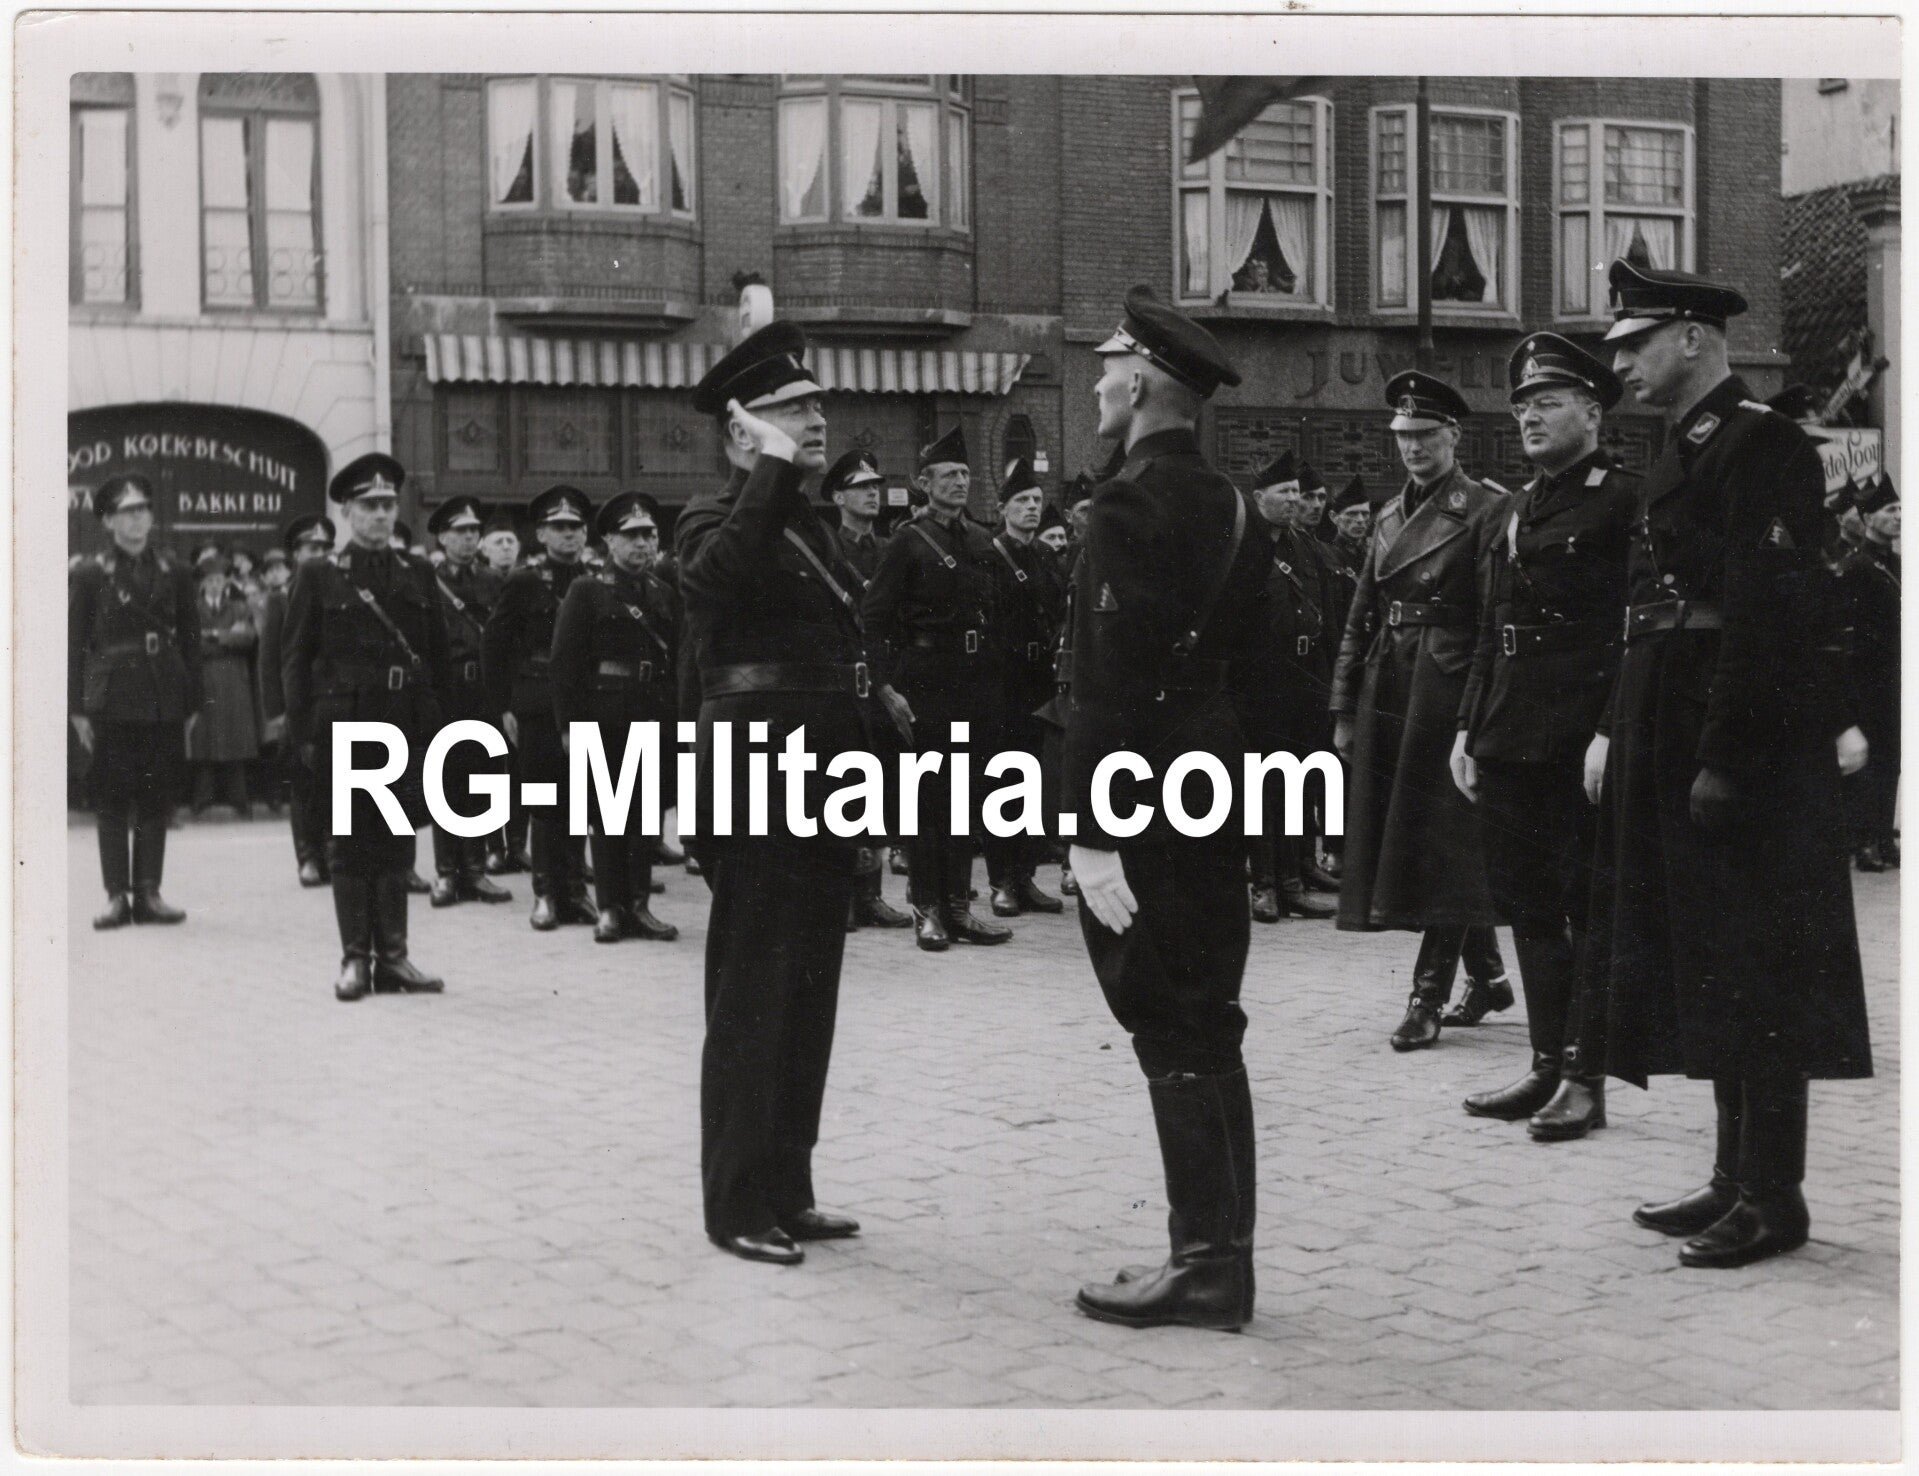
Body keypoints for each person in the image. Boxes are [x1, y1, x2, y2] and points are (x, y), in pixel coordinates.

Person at [1582, 258, 1871, 1268]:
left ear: (1693, 340)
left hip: (1741, 735)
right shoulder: (1682, 446)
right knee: (1709, 949)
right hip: (1678, 713)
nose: (1620, 362)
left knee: (1756, 960)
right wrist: (1624, 728)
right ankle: (1727, 1176)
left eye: (1635, 342)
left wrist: (1724, 757)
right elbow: (1646, 608)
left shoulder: (1765, 445)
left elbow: (1765, 613)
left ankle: (1771, 1194)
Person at [678, 320, 909, 1265]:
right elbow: (712, 586)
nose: (818, 419)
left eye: (816, 404)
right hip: (757, 775)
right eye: (792, 409)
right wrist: (768, 475)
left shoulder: (810, 523)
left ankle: (788, 1183)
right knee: (752, 992)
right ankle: (734, 1202)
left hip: (825, 773)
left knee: (809, 985)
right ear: (743, 431)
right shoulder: (713, 514)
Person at [1063, 286, 1270, 1332]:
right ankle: (1220, 1258)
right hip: (1218, 791)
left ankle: (1203, 1267)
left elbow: (1103, 679)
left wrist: (1090, 830)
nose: (1099, 382)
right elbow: (1278, 676)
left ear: (1140, 383)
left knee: (1166, 1024)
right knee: (1210, 1021)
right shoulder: (1235, 507)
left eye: (1107, 368)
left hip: (1142, 798)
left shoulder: (1124, 505)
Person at [1449, 334, 1639, 1140]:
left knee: (1582, 908)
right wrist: (1466, 724)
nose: (1529, 416)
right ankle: (1544, 1065)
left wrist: (1608, 731)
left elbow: (1636, 628)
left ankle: (1585, 1077)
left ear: (1592, 413)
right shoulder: (1513, 509)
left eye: (1547, 403)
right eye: (1522, 406)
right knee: (1526, 905)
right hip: (1507, 730)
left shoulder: (1622, 498)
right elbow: (1492, 624)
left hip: (1574, 735)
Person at [1330, 371, 1511, 1051]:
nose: (1412, 447)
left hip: (1448, 685)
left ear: (1452, 437)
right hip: (1392, 683)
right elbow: (1359, 615)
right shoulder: (1384, 516)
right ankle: (1489, 976)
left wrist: (1479, 711)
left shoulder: (1487, 508)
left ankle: (1425, 995)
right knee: (1428, 841)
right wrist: (1344, 704)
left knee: (1447, 840)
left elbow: (1496, 616)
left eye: (1425, 435)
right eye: (1403, 436)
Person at [281, 454, 450, 1002]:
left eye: (387, 505)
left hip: (402, 722)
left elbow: (437, 659)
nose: (380, 516)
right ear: (348, 513)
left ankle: (394, 959)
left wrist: (438, 730)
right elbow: (295, 659)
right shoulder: (319, 573)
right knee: (351, 845)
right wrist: (304, 733)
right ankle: (355, 959)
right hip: (346, 725)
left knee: (398, 845)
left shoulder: (418, 573)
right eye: (368, 506)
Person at [862, 425, 1012, 951]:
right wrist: (884, 685)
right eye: (948, 475)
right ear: (924, 484)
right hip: (924, 685)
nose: (960, 483)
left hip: (971, 686)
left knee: (964, 801)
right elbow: (874, 617)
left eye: (966, 474)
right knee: (927, 802)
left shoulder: (977, 540)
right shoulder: (907, 542)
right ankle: (927, 908)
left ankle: (958, 908)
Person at [69, 474, 202, 928]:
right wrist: (75, 708)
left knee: (156, 794)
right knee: (110, 796)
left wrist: (193, 703)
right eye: (127, 512)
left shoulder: (175, 571)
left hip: (163, 693)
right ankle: (116, 896)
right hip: (112, 698)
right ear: (108, 521)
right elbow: (74, 645)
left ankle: (148, 892)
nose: (137, 519)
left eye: (143, 509)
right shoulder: (90, 574)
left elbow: (191, 638)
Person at [550, 491, 681, 944]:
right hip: (604, 715)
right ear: (609, 539)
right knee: (608, 816)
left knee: (646, 816)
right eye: (631, 535)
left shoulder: (664, 593)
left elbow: (677, 659)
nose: (642, 544)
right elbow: (566, 662)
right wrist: (569, 726)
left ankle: (639, 905)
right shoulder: (588, 590)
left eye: (649, 535)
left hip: (653, 713)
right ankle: (610, 908)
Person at [484, 484, 598, 930]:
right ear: (543, 533)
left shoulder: (594, 580)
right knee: (545, 803)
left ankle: (576, 890)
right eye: (559, 528)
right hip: (537, 703)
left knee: (579, 802)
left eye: (575, 527)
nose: (569, 535)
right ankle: (547, 893)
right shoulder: (525, 581)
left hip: (584, 705)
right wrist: (503, 706)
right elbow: (494, 644)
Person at [1240, 451, 1339, 924]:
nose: (1293, 500)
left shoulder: (1303, 546)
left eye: (1296, 492)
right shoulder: (1244, 546)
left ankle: (1293, 882)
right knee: (1263, 787)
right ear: (1258, 497)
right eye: (1283, 492)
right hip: (1261, 680)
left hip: (1305, 676)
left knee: (1299, 782)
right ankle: (1264, 885)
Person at [820, 449, 912, 932]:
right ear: (838, 496)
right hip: (843, 685)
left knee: (877, 788)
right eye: (861, 486)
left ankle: (871, 895)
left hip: (883, 682)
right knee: (843, 790)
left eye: (876, 485)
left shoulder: (889, 549)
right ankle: (843, 898)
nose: (872, 492)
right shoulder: (828, 549)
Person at [983, 457, 1068, 917]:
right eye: (1022, 501)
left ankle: (1026, 876)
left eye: (1036, 501)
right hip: (1002, 681)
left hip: (1039, 681)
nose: (1032, 508)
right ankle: (1001, 881)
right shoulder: (990, 555)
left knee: (1033, 780)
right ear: (1003, 507)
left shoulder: (1043, 558)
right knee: (1004, 781)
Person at [424, 496, 514, 909]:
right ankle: (447, 873)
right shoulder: (426, 580)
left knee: (484, 780)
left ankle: (475, 871)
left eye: (474, 532)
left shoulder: (493, 581)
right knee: (445, 784)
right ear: (442, 537)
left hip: (485, 692)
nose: (468, 538)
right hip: (445, 692)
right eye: (460, 531)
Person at [258, 516, 336, 885]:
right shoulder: (279, 598)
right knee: (303, 784)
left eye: (325, 548)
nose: (319, 554)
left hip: (333, 701)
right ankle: (308, 857)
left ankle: (333, 853)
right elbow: (270, 658)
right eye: (311, 548)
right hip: (299, 702)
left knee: (335, 781)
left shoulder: (341, 591)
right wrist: (277, 712)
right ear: (295, 555)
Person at [1839, 475, 1900, 870]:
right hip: (1866, 677)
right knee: (1868, 761)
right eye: (1890, 510)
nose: (1899, 516)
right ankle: (1863, 843)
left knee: (1891, 758)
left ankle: (1882, 837)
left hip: (1894, 676)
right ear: (1866, 517)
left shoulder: (1896, 563)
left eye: (1900, 509)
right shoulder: (1857, 566)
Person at [186, 546, 260, 816]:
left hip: (233, 681)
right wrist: (227, 636)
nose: (216, 585)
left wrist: (215, 636)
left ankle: (238, 798)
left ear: (226, 582)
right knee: (204, 741)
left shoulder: (240, 607)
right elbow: (191, 643)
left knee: (235, 738)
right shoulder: (193, 609)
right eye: (211, 580)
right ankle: (202, 797)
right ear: (203, 583)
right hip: (205, 678)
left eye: (220, 580)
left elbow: (249, 639)